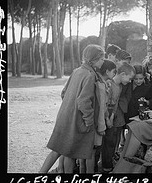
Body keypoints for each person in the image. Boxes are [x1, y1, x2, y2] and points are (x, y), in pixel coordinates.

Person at [39, 44, 105, 173]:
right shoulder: (90, 75)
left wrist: (69, 107)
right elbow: (84, 101)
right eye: (102, 59)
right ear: (94, 59)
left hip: (66, 116)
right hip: (76, 121)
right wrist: (89, 121)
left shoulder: (77, 71)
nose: (103, 61)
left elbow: (64, 93)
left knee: (67, 153)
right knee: (61, 152)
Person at [79, 59, 117, 173]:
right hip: (95, 122)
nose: (114, 74)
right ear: (107, 71)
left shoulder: (101, 82)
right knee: (91, 151)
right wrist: (102, 127)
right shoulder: (100, 84)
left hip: (90, 121)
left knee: (85, 151)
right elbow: (101, 108)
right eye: (114, 71)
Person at [101, 62, 135, 173]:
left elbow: (115, 104)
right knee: (108, 142)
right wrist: (107, 118)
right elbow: (104, 104)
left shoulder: (119, 86)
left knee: (113, 140)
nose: (129, 81)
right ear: (123, 74)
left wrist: (112, 116)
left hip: (112, 117)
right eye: (129, 78)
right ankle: (106, 166)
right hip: (105, 117)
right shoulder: (109, 84)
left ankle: (110, 162)